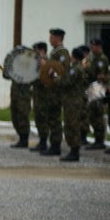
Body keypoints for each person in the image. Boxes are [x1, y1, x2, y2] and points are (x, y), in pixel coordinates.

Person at [41, 28, 71, 157]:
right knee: (51, 118)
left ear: (58, 38)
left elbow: (62, 71)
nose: (50, 39)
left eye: (52, 37)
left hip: (57, 90)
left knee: (55, 118)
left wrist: (48, 66)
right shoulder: (55, 52)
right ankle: (53, 144)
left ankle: (56, 145)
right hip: (51, 90)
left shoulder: (62, 52)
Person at [59, 45, 90, 162]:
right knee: (72, 124)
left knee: (72, 125)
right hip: (74, 101)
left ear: (73, 57)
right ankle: (73, 150)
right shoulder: (79, 68)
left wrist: (56, 78)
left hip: (73, 102)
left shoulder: (75, 69)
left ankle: (74, 151)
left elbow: (66, 83)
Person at [85, 37, 110, 150]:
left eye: (93, 45)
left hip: (98, 87)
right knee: (92, 114)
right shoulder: (94, 58)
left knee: (97, 114)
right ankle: (97, 139)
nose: (91, 48)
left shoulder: (101, 59)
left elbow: (99, 75)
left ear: (99, 46)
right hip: (92, 87)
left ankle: (100, 140)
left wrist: (88, 68)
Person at [6, 48, 32, 149]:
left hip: (23, 97)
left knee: (23, 117)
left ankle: (24, 139)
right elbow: (6, 75)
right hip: (15, 95)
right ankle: (21, 137)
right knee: (15, 117)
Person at [30, 42, 50, 152]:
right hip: (37, 94)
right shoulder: (37, 62)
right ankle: (42, 141)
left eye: (36, 50)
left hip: (44, 95)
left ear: (42, 50)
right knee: (38, 118)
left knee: (43, 118)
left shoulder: (46, 62)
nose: (34, 52)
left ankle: (44, 142)